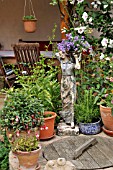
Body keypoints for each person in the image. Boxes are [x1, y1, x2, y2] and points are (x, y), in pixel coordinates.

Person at [56, 51, 80, 128]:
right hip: (64, 81)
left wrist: (76, 58)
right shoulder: (61, 62)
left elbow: (78, 67)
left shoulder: (71, 63)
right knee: (64, 100)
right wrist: (63, 48)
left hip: (71, 80)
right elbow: (56, 54)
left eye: (62, 53)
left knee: (72, 100)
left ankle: (72, 120)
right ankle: (66, 118)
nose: (61, 55)